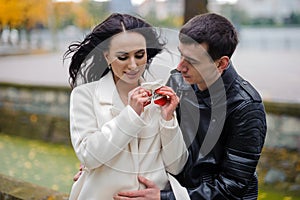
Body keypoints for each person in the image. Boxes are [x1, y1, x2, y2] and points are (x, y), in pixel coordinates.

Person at [113, 13, 267, 200]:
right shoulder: (177, 82)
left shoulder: (246, 107)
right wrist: (105, 168)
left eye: (192, 61)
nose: (179, 67)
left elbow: (232, 186)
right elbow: (153, 137)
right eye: (181, 54)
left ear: (221, 63)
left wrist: (167, 198)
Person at [64, 13, 188, 200]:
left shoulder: (160, 94)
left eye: (140, 55)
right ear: (107, 56)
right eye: (122, 57)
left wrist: (169, 120)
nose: (133, 65)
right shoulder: (84, 95)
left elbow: (177, 165)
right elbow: (89, 155)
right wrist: (131, 115)